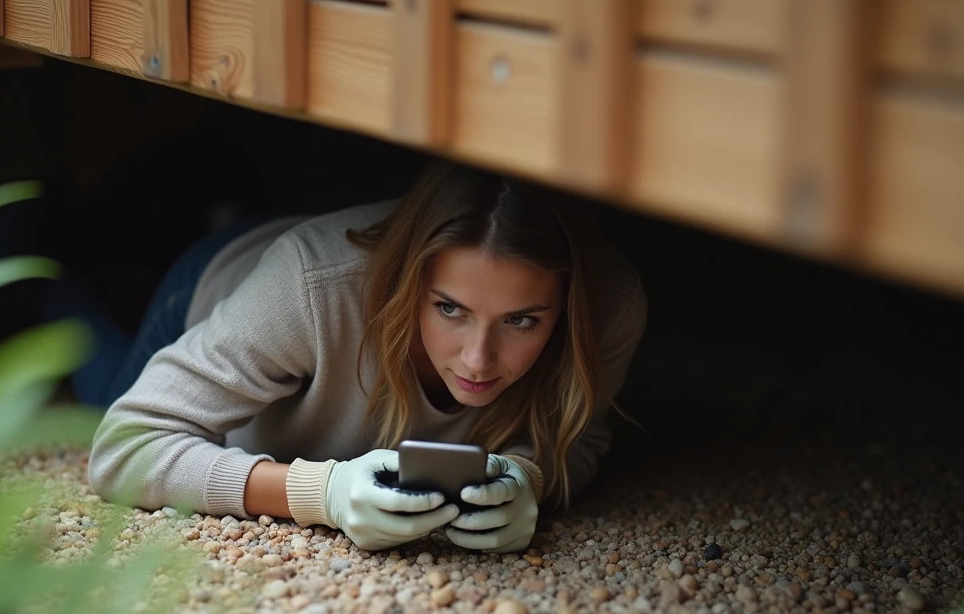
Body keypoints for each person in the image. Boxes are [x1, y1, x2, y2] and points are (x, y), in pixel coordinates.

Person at [87, 159, 647, 554]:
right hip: (222, 278)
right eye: (449, 309)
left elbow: (585, 438)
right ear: (408, 281)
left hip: (305, 258)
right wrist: (321, 495)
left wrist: (527, 478)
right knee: (100, 391)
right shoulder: (310, 286)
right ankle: (46, 270)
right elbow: (126, 445)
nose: (479, 359)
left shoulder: (608, 306)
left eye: (521, 320)